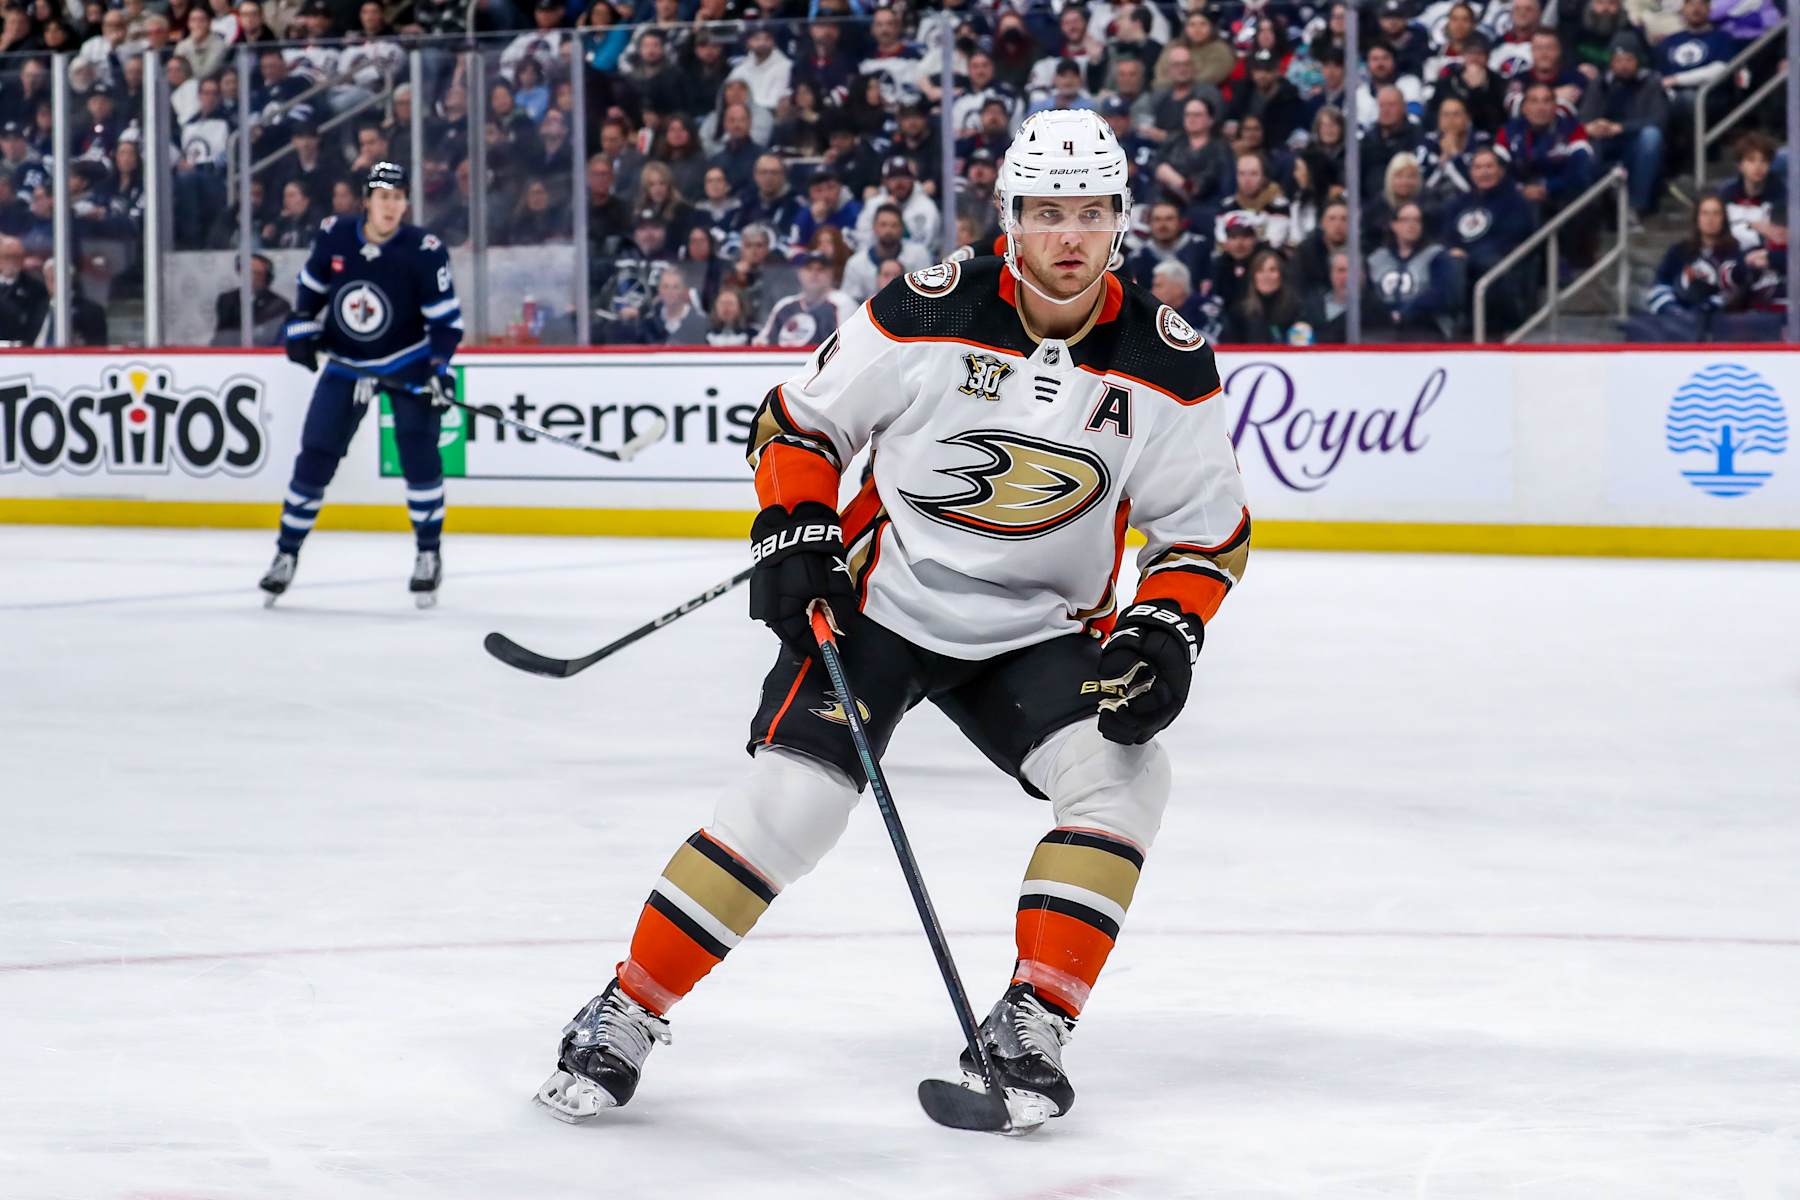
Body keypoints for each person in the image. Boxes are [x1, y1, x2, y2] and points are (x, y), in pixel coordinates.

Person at [533, 108, 1249, 1131]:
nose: (1070, 237)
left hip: (1037, 627)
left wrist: (1164, 629)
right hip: (880, 603)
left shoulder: (1167, 362)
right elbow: (801, 420)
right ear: (1008, 216)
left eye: (1091, 212)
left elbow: (1203, 535)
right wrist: (793, 525)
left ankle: (1033, 1020)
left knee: (1129, 774)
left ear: (1122, 222)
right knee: (795, 804)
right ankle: (627, 1007)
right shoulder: (930, 311)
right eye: (1048, 212)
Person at [264, 163, 462, 608]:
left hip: (406, 362)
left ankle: (428, 555)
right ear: (366, 201)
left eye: (398, 197)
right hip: (347, 363)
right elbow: (309, 295)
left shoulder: (425, 250)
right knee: (316, 455)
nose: (391, 205)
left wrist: (439, 366)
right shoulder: (334, 235)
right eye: (382, 196)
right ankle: (285, 554)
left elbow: (446, 323)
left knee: (419, 455)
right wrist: (299, 326)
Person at [1576, 32, 1668, 217]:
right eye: (1618, 60)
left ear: (1637, 60)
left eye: (1628, 59)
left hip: (1635, 143)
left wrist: (1621, 128)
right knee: (1583, 144)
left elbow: (1659, 119)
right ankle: (1591, 209)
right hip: (1604, 142)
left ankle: (1636, 205)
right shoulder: (1600, 83)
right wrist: (1594, 126)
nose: (1623, 65)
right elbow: (1584, 118)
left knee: (1651, 136)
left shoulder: (1651, 83)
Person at [1366, 202, 1457, 339]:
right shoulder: (1376, 259)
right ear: (1394, 225)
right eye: (1405, 220)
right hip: (1382, 326)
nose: (1412, 225)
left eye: (1416, 220)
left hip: (1425, 326)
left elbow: (1441, 294)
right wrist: (1386, 315)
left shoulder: (1436, 255)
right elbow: (1367, 294)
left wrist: (1405, 313)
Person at [755, 250, 850, 347]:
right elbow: (761, 343)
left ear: (830, 274)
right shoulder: (784, 305)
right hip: (783, 361)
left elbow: (848, 343)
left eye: (820, 269)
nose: (814, 274)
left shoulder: (842, 303)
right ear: (800, 273)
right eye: (809, 269)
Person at [841, 203, 931, 305]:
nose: (888, 230)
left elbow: (926, 294)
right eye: (883, 225)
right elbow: (848, 303)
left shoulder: (918, 255)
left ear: (902, 228)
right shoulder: (856, 263)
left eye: (894, 225)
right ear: (874, 227)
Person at [212, 252, 292, 345]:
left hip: (263, 354)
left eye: (258, 273)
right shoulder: (226, 300)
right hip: (231, 353)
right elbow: (223, 333)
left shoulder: (279, 304)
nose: (253, 277)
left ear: (267, 277)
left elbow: (271, 336)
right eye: (249, 272)